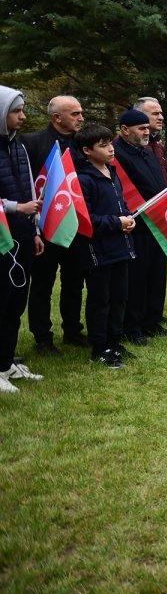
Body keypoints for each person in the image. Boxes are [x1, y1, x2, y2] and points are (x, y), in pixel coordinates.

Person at [23, 95, 86, 354]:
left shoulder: (84, 144)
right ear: (56, 117)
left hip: (76, 224)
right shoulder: (32, 142)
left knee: (74, 281)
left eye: (81, 113)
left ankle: (72, 330)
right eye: (74, 114)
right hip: (45, 225)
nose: (81, 118)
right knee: (42, 284)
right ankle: (42, 337)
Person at [75, 124, 137, 367]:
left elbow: (120, 205)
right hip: (98, 250)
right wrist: (116, 222)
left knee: (120, 296)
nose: (111, 149)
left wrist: (128, 218)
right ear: (87, 151)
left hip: (121, 245)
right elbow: (86, 219)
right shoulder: (84, 179)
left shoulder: (112, 172)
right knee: (101, 299)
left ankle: (115, 340)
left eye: (111, 143)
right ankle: (100, 346)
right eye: (103, 145)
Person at [113, 108, 167, 345]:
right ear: (125, 130)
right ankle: (133, 326)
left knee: (157, 274)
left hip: (157, 220)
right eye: (141, 128)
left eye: (147, 128)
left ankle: (153, 320)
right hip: (137, 223)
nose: (146, 132)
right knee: (138, 277)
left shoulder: (148, 152)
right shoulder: (118, 154)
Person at [0, 87, 44, 393]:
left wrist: (35, 229)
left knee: (16, 301)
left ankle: (6, 361)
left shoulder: (19, 147)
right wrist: (16, 208)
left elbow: (29, 188)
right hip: (3, 238)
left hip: (23, 235)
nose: (23, 117)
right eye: (16, 111)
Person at [133, 97, 167, 186]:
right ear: (139, 115)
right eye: (155, 114)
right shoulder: (133, 144)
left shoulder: (158, 144)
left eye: (161, 113)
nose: (161, 117)